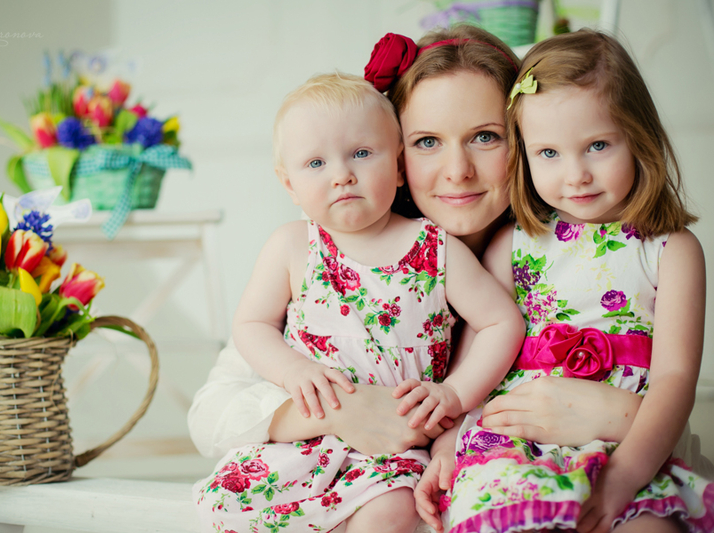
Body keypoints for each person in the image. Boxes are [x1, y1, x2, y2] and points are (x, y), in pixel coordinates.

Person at [188, 24, 707, 531]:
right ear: (395, 153)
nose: (458, 170)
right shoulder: (332, 253)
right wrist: (337, 411)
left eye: (485, 137)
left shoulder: (578, 252)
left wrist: (621, 414)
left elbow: (667, 398)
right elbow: (211, 413)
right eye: (427, 141)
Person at [193, 71, 525, 533]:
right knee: (223, 502)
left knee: (391, 512)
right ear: (289, 185)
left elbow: (502, 323)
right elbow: (252, 325)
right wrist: (292, 370)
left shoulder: (435, 247)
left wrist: (453, 393)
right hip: (307, 436)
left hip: (393, 445)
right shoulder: (293, 246)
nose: (342, 175)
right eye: (315, 163)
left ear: (399, 165)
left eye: (362, 154)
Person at [432, 29, 714, 533]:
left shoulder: (671, 251)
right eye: (549, 153)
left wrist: (626, 475)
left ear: (638, 137)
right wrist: (445, 448)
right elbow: (475, 366)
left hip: (629, 442)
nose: (576, 174)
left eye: (597, 145)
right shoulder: (511, 245)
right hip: (516, 442)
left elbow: (675, 380)